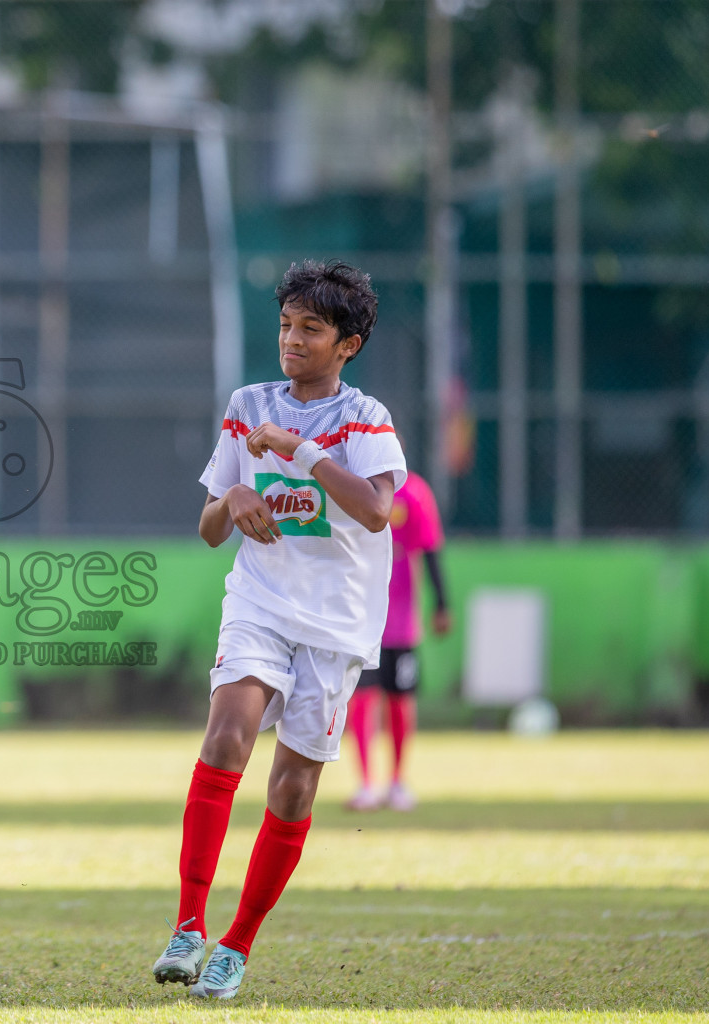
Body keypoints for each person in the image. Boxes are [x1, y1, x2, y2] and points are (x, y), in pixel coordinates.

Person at [151, 260, 406, 999]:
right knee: (226, 735)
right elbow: (206, 530)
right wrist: (231, 496)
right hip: (260, 603)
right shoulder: (246, 405)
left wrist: (301, 452)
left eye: (311, 329)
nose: (291, 340)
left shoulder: (366, 418)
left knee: (291, 790)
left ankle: (235, 946)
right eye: (286, 324)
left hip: (336, 623)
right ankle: (189, 925)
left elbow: (374, 509)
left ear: (347, 345)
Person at [345, 469, 450, 812]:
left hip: (402, 624)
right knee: (360, 700)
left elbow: (430, 548)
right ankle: (365, 784)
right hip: (360, 622)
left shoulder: (415, 493)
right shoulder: (349, 488)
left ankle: (397, 781)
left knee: (400, 702)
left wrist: (442, 602)